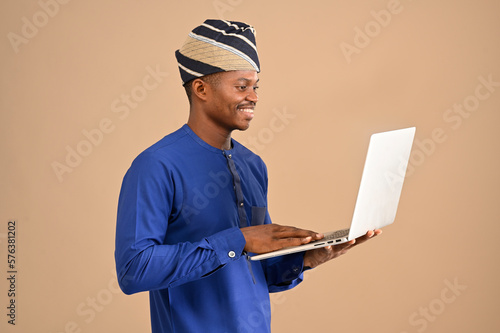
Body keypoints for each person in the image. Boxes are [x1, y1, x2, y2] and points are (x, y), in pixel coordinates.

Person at [114, 19, 381, 333]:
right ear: (200, 88)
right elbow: (134, 270)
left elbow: (256, 270)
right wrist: (238, 239)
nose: (253, 96)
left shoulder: (253, 165)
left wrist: (309, 258)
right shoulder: (156, 165)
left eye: (255, 86)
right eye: (242, 86)